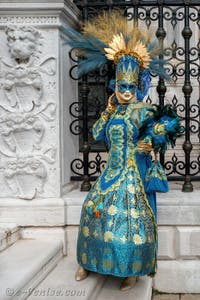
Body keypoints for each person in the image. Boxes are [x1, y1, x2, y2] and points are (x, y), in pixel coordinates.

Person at [63, 11, 181, 291]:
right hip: (110, 172)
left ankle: (132, 271)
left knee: (130, 221)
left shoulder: (143, 110)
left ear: (137, 85)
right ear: (115, 85)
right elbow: (95, 135)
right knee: (92, 209)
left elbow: (170, 121)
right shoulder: (113, 112)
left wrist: (152, 139)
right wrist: (106, 111)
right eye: (122, 86)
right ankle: (88, 262)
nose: (126, 92)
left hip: (134, 173)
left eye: (131, 86)